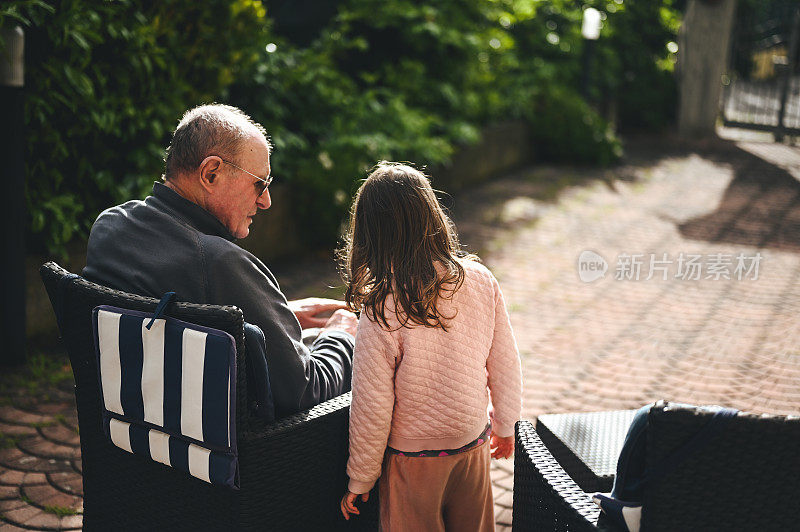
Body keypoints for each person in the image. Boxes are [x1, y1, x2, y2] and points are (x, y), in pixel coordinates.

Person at [83, 103, 357, 418]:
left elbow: (173, 311)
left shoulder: (109, 226)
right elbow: (303, 390)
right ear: (211, 173)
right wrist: (342, 333)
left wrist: (262, 317)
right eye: (260, 183)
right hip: (228, 455)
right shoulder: (220, 263)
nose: (266, 201)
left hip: (130, 425)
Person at [338, 162, 523, 531]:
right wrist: (506, 424)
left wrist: (361, 477)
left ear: (370, 235)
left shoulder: (382, 307)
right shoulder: (481, 280)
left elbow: (371, 405)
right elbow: (504, 361)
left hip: (413, 459)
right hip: (472, 444)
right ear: (432, 215)